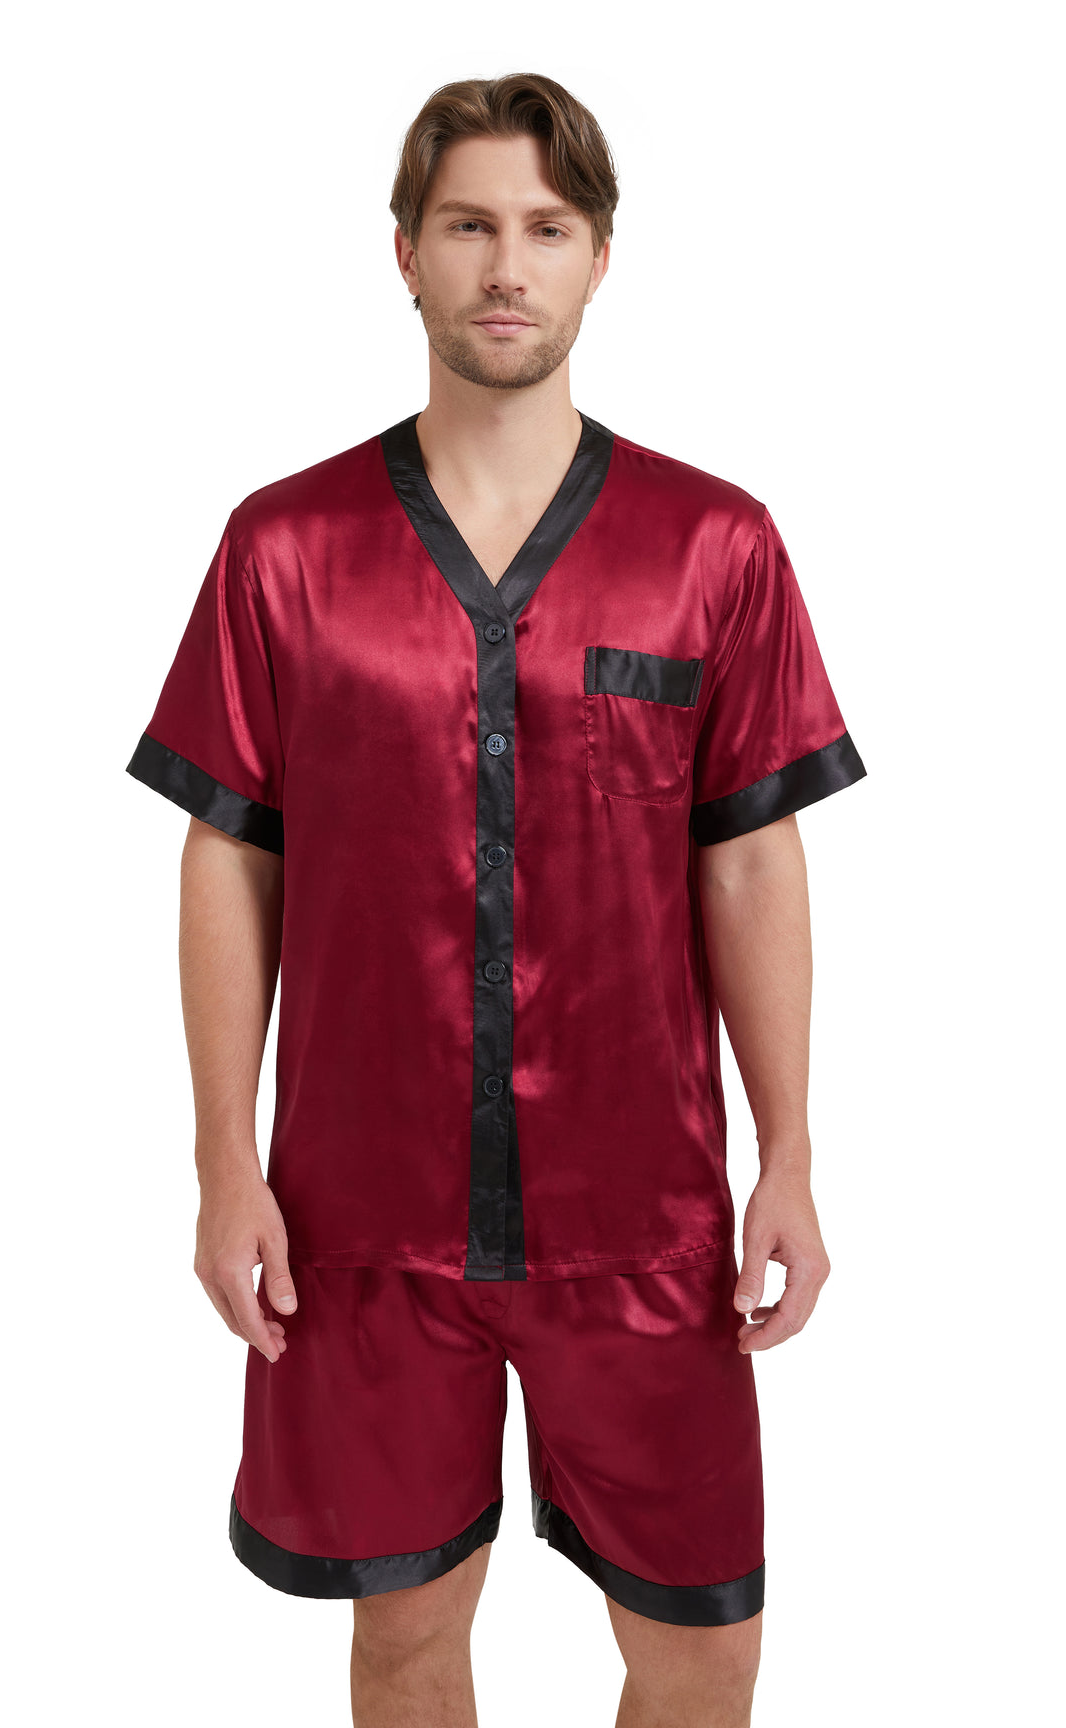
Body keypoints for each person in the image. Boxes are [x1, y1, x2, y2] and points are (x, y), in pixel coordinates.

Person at [126, 71, 867, 1728]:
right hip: (359, 1224)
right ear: (405, 253)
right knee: (403, 1637)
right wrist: (225, 1164)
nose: (507, 266)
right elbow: (231, 849)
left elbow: (750, 852)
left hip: (648, 1218)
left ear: (602, 256)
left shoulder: (714, 546)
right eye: (469, 224)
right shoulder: (284, 550)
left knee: (704, 1650)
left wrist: (791, 1153)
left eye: (546, 226)